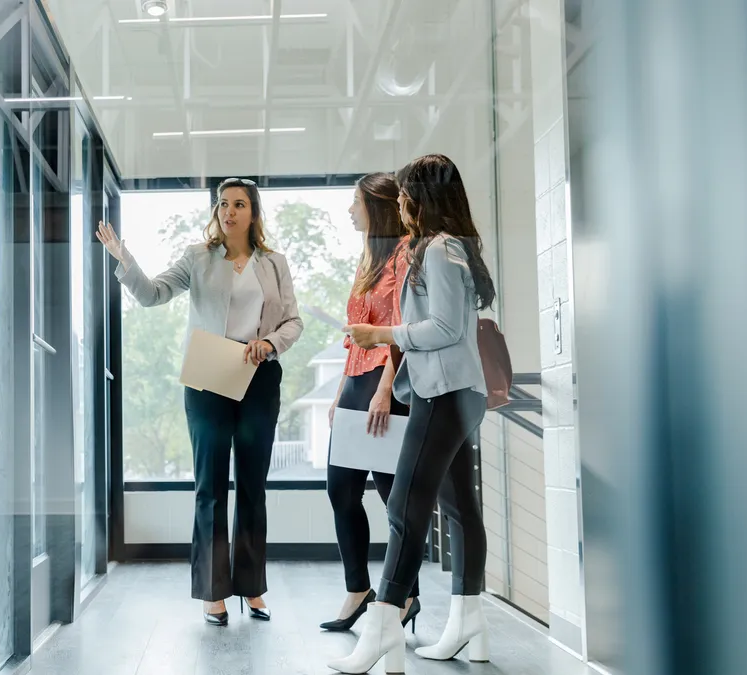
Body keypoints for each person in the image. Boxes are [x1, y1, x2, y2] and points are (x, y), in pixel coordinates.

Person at [96, 177, 303, 627]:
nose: (228, 211)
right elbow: (152, 295)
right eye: (222, 203)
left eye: (239, 204)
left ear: (254, 213)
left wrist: (268, 344)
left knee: (252, 488)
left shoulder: (274, 263)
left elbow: (293, 322)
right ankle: (213, 593)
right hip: (208, 381)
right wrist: (123, 260)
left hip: (259, 379)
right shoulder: (197, 257)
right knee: (210, 487)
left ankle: (252, 588)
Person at [328, 154, 496, 674]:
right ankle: (469, 620)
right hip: (451, 390)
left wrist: (382, 335)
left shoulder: (440, 250)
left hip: (443, 393)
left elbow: (444, 328)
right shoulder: (444, 248)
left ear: (419, 198)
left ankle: (383, 626)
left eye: (403, 193)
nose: (399, 202)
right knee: (458, 506)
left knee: (403, 506)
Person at [320, 173, 420, 633]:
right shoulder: (367, 258)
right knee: (340, 489)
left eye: (354, 203)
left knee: (389, 495)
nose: (349, 211)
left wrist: (385, 388)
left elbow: (398, 326)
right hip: (356, 384)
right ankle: (358, 588)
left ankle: (406, 593)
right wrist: (341, 394)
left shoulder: (404, 254)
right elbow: (354, 336)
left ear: (374, 206)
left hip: (386, 385)